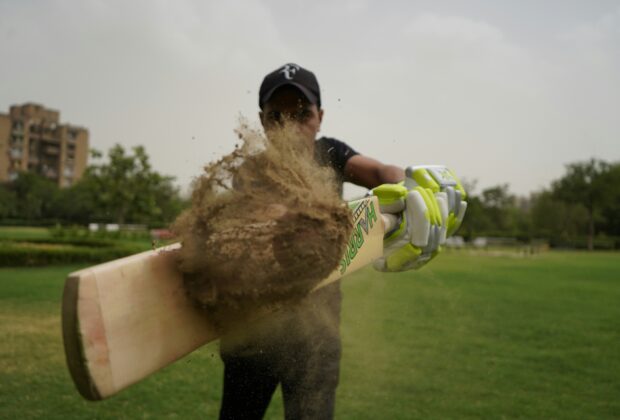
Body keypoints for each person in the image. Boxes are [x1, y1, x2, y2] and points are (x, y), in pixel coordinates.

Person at [218, 63, 465, 419]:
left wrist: (406, 189)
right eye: (277, 116)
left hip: (316, 336)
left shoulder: (330, 153)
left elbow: (380, 172)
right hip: (253, 332)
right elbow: (269, 215)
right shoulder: (250, 170)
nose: (291, 126)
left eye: (302, 113)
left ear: (320, 116)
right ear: (261, 120)